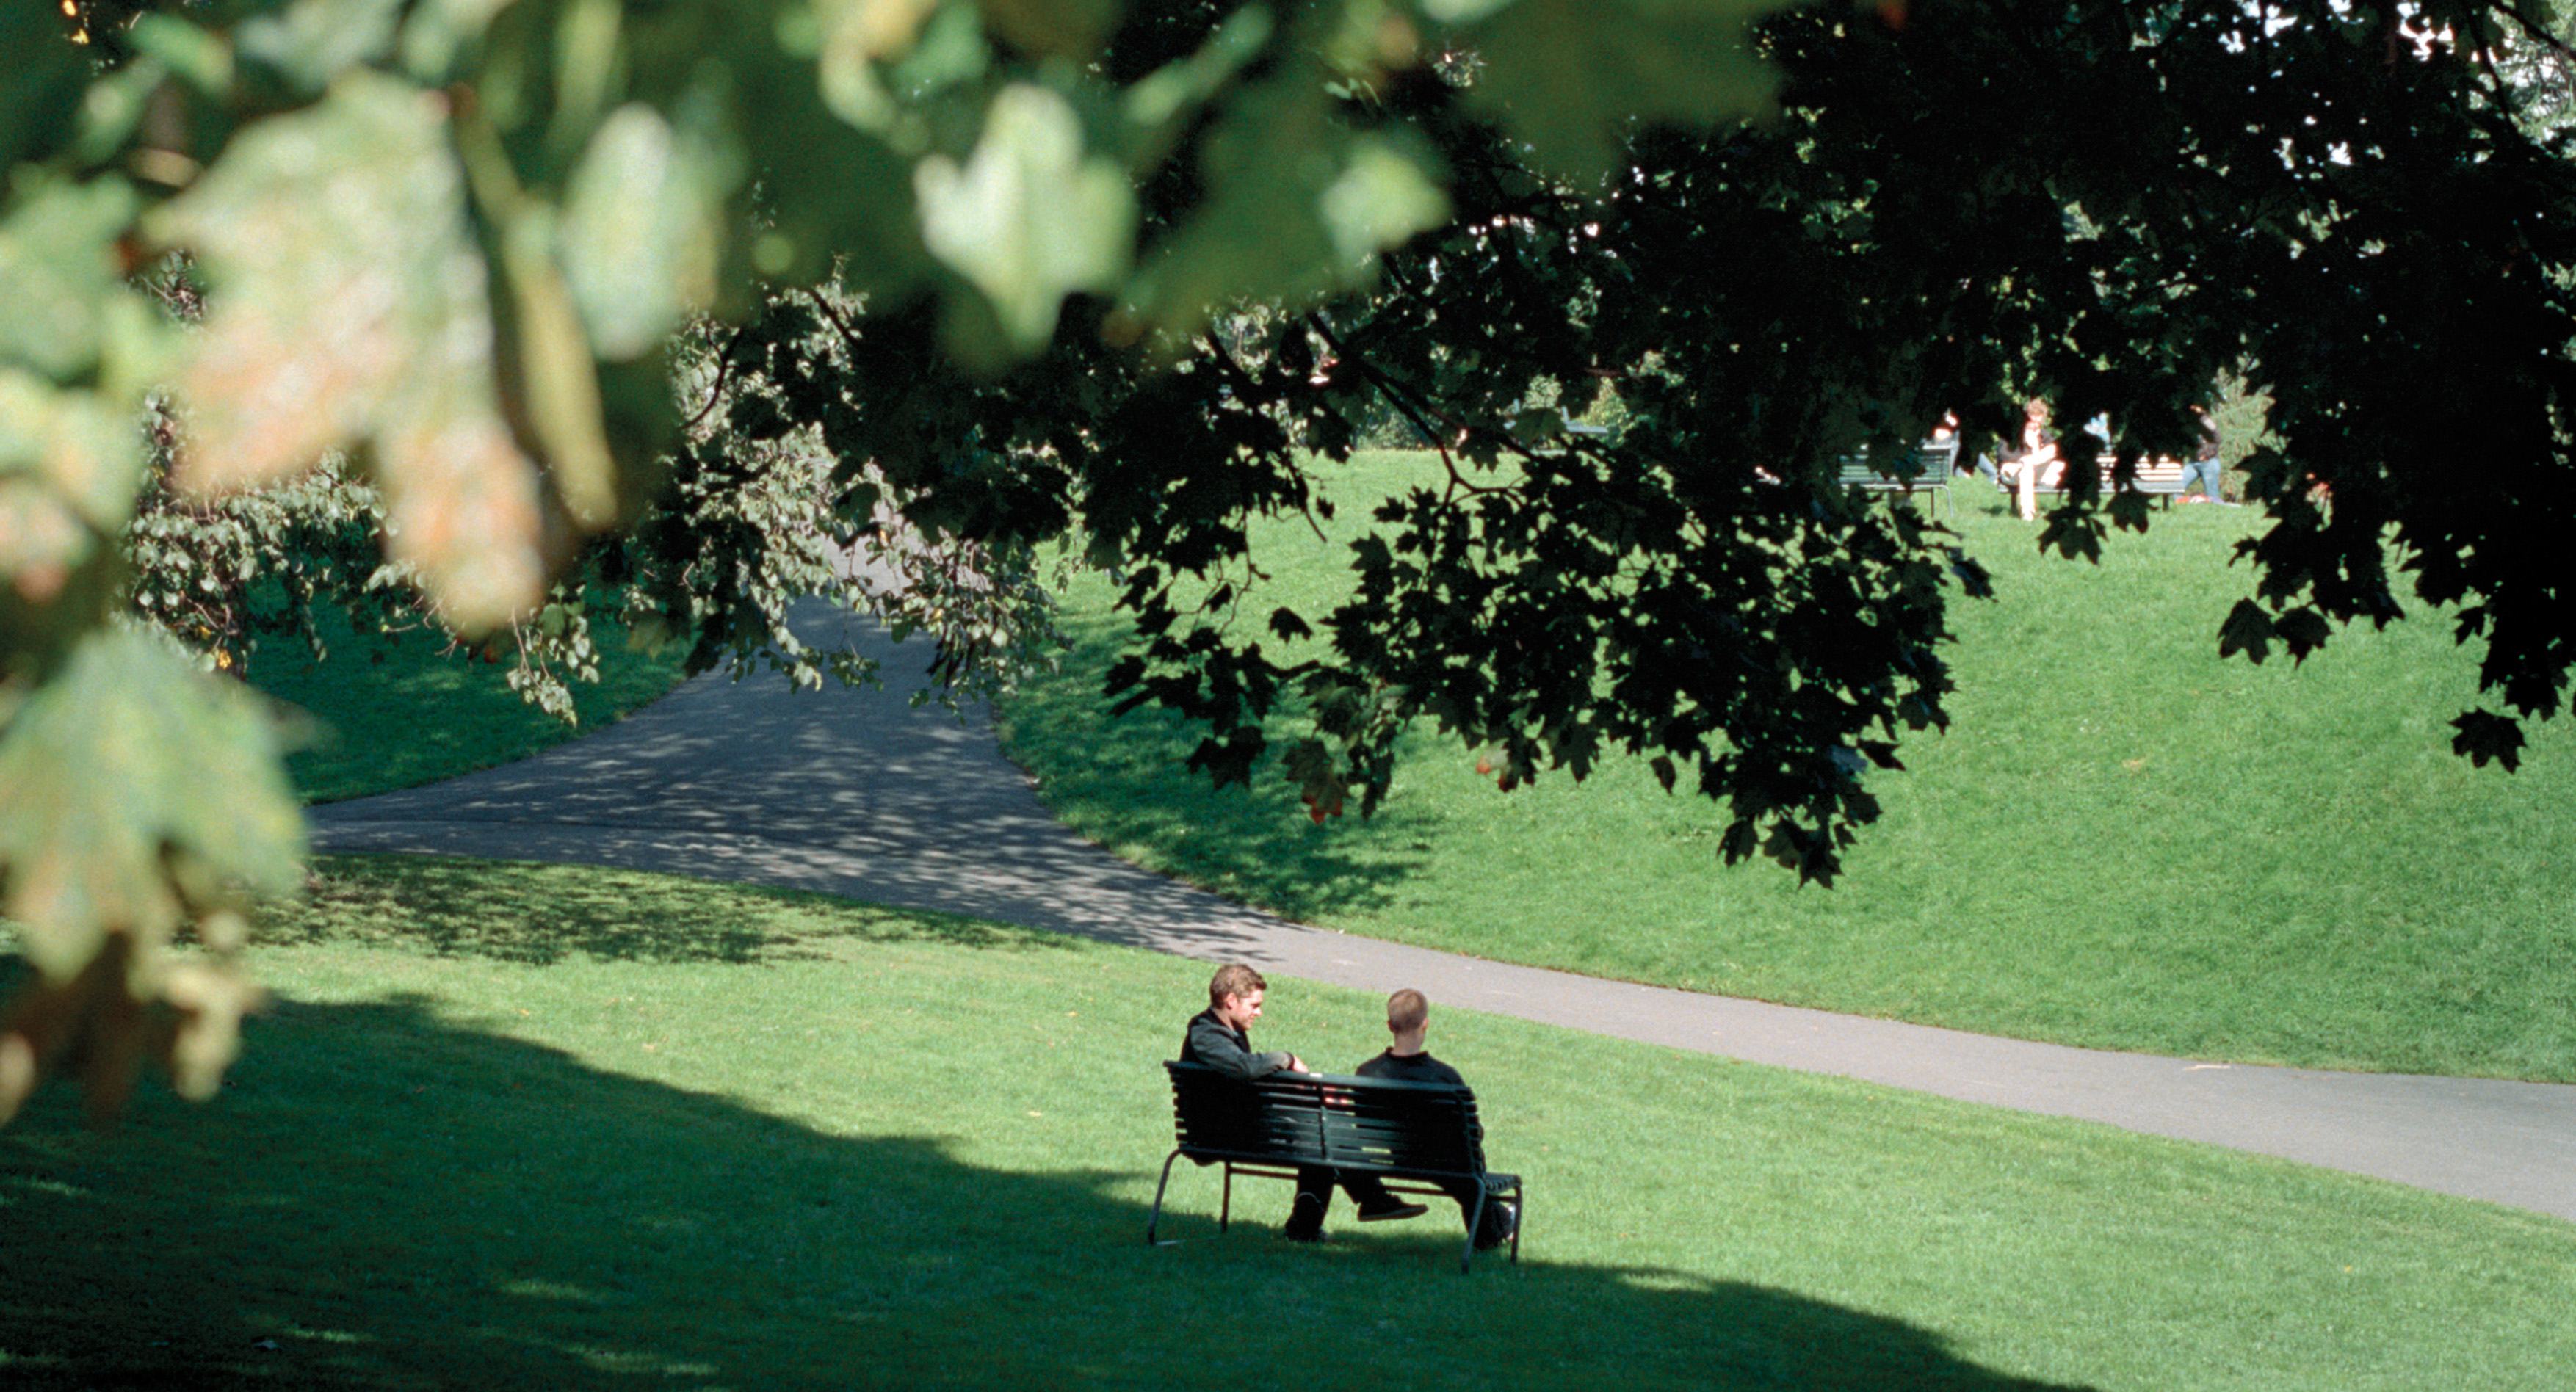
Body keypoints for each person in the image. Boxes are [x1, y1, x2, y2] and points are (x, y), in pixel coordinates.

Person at [1179, 964, 1427, 1241]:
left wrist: (1311, 1092)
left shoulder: (1226, 1031)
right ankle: (1361, 1203)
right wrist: (1286, 1059)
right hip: (1216, 1135)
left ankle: (1329, 1218)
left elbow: (1242, 1079)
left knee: (1323, 1128)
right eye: (1254, 1005)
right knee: (1322, 1132)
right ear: (1230, 1000)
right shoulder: (1206, 1033)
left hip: (1236, 1127)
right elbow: (1243, 1068)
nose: (1259, 1012)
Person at [1354, 989, 1519, 1251]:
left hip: (1397, 1157)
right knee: (1470, 1174)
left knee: (1466, 1173)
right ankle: (1493, 1230)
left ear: (1389, 1026)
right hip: (1445, 1165)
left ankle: (1501, 1220)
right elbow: (1473, 1134)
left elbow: (1361, 1127)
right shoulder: (1444, 1077)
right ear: (1425, 1024)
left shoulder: (1366, 1073)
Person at [1997, 397, 2065, 521]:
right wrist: (2024, 460)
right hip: (2011, 472)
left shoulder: (2042, 434)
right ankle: (2028, 513)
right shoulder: (2011, 433)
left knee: (2057, 459)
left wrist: (2032, 457)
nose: (2036, 425)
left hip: (2033, 469)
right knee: (2027, 469)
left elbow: (2054, 450)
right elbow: (2004, 454)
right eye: (2032, 422)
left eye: (2039, 423)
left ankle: (2032, 467)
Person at [2179, 404, 2232, 504]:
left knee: (2213, 498)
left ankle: (2227, 510)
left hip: (2209, 462)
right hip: (2193, 462)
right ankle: (2194, 502)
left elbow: (2218, 437)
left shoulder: (2204, 419)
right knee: (2176, 489)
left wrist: (2207, 455)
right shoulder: (2187, 423)